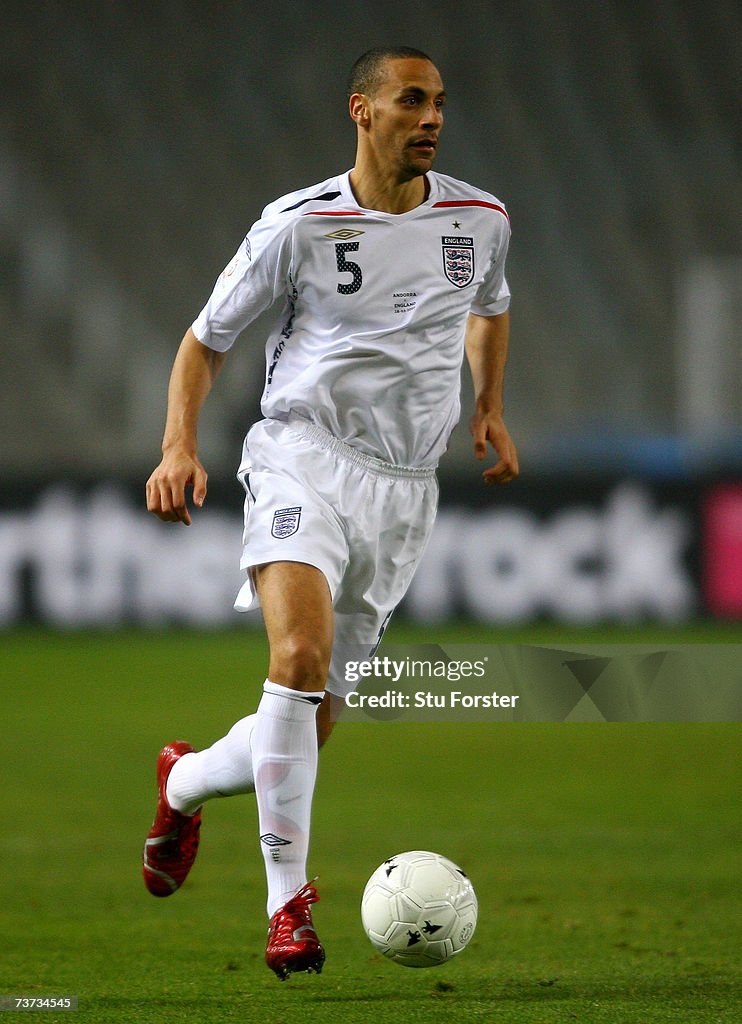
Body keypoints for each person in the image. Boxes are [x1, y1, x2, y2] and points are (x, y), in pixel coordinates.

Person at [142, 45, 519, 981]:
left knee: (304, 722)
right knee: (298, 661)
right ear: (361, 108)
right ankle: (287, 909)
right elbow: (204, 340)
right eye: (411, 100)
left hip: (405, 490)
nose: (431, 117)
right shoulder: (298, 226)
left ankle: (182, 783)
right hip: (302, 456)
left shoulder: (482, 218)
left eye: (439, 103)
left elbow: (490, 305)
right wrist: (179, 446)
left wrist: (488, 407)